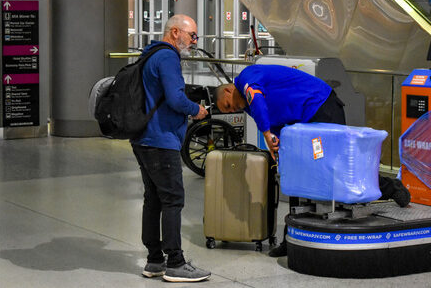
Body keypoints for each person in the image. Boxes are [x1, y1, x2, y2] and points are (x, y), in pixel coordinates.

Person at [215, 64, 410, 257]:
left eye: (228, 105)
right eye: (229, 111)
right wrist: (279, 145)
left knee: (339, 167)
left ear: (228, 90)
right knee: (296, 174)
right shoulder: (249, 107)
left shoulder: (247, 77)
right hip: (302, 121)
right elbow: (273, 121)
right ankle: (290, 238)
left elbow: (257, 100)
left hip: (321, 105)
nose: (233, 110)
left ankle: (391, 187)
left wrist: (266, 133)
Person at [130, 14, 211, 282]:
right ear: (175, 32)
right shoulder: (167, 57)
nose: (194, 41)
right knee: (173, 198)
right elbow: (176, 99)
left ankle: (155, 261)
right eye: (192, 35)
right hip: (160, 139)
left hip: (144, 138)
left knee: (153, 198)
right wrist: (196, 109)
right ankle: (175, 262)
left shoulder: (150, 54)